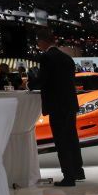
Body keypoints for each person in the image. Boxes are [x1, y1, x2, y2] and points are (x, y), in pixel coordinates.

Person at [36, 27, 84, 186]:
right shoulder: (67, 58)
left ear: (43, 42)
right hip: (70, 104)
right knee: (72, 138)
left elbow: (44, 81)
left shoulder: (47, 58)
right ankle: (78, 171)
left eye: (38, 43)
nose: (38, 46)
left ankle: (68, 177)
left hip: (57, 106)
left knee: (61, 141)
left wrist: (29, 84)